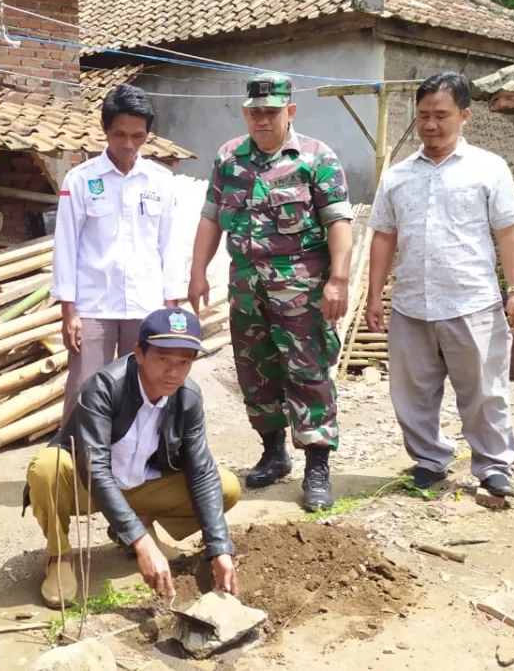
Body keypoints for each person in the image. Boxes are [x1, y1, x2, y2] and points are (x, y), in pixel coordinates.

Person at [188, 72, 354, 512]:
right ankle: (273, 452)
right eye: (255, 112)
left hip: (301, 291)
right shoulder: (228, 158)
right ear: (246, 112)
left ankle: (316, 467)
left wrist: (338, 279)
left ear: (289, 111)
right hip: (246, 290)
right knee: (256, 373)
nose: (262, 120)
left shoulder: (316, 158)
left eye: (271, 112)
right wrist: (197, 271)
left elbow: (339, 221)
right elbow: (209, 217)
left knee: (309, 373)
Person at [366, 71, 514, 498]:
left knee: (484, 392)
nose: (430, 125)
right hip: (410, 305)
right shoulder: (398, 176)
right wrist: (373, 297)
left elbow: (510, 232)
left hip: (471, 302)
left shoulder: (488, 169)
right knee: (412, 393)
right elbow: (384, 236)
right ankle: (429, 461)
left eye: (441, 115)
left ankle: (493, 466)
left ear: (465, 115)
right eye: (423, 115)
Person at [23, 308, 240, 608]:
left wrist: (220, 550)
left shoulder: (187, 396)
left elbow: (201, 470)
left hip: (141, 486)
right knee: (47, 466)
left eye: (183, 362)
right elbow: (95, 469)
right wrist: (142, 543)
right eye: (163, 359)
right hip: (86, 487)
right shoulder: (104, 388)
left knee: (225, 485)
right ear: (139, 353)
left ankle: (136, 523)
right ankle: (59, 556)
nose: (173, 372)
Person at [53, 84, 185, 420]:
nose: (128, 144)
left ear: (148, 134)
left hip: (146, 304)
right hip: (94, 304)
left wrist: (171, 304)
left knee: (142, 389)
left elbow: (170, 245)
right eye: (119, 134)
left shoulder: (160, 180)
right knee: (86, 387)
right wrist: (69, 311)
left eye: (138, 136)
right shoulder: (81, 180)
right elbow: (65, 246)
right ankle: (75, 466)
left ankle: (135, 467)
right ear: (105, 130)